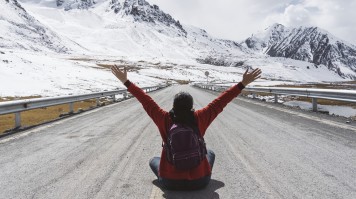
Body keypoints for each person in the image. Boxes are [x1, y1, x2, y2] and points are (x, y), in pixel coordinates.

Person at [111, 66, 262, 190]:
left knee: (153, 160)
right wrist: (242, 84)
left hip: (170, 182)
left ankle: (168, 173)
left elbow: (145, 100)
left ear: (173, 106)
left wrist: (126, 81)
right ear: (191, 107)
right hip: (200, 181)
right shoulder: (200, 117)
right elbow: (221, 101)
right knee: (210, 153)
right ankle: (199, 170)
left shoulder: (163, 118)